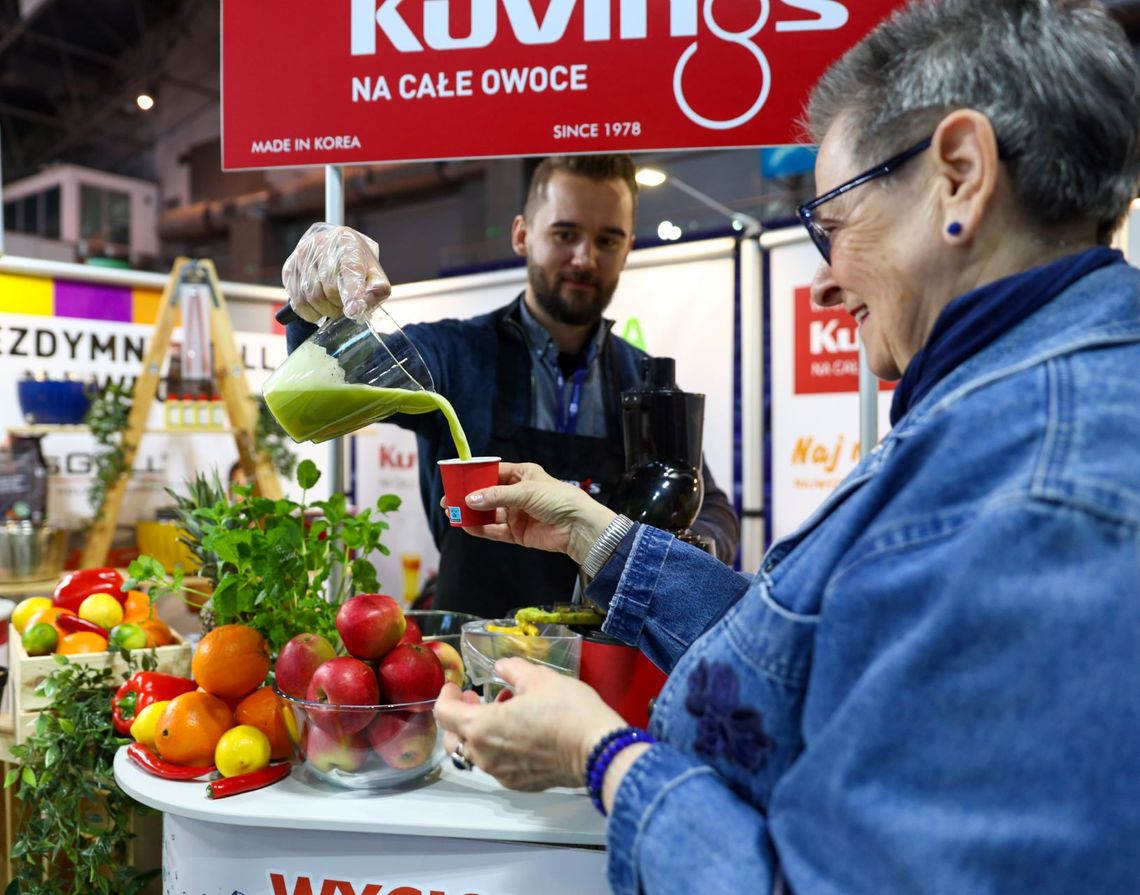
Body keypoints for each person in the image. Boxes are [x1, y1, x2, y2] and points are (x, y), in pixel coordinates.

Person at [427, 1, 1140, 892]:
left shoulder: (1044, 501)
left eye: (833, 225)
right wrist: (594, 534)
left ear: (960, 176)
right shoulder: (992, 410)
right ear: (525, 237)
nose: (822, 284)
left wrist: (600, 754)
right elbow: (810, 650)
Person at [282, 155, 739, 619]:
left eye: (607, 239)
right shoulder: (455, 353)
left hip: (597, 663)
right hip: (470, 659)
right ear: (522, 235)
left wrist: (693, 551)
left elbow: (711, 504)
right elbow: (338, 371)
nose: (585, 257)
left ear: (627, 249)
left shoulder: (642, 382)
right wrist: (314, 301)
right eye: (565, 234)